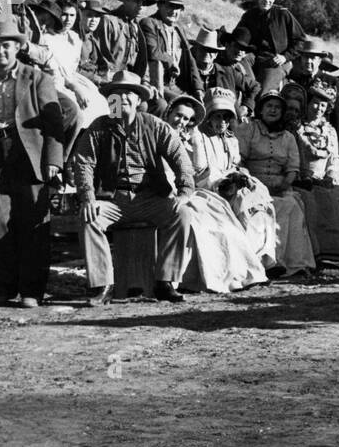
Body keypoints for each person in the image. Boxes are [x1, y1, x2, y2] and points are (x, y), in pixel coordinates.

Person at [70, 69, 192, 304]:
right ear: (109, 100)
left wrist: (184, 192)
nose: (122, 98)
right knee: (89, 217)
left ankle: (164, 281)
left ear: (138, 100)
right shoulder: (99, 127)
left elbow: (181, 160)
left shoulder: (154, 126)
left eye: (129, 94)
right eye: (116, 94)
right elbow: (83, 163)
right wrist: (88, 197)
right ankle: (102, 285)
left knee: (182, 213)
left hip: (148, 199)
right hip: (113, 200)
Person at [0, 15, 66, 308]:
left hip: (30, 157)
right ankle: (0, 289)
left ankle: (31, 291)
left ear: (17, 49)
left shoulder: (37, 78)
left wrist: (54, 160)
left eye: (7, 46)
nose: (1, 52)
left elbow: (55, 122)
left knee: (32, 225)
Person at [164, 93, 267, 293]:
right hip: (166, 191)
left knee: (225, 226)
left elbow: (195, 174)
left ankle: (237, 274)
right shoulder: (157, 133)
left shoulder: (189, 139)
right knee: (200, 227)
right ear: (168, 113)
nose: (181, 122)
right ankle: (197, 277)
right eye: (178, 116)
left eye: (187, 119)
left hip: (191, 191)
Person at [197, 87, 279, 269]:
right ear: (209, 116)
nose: (222, 122)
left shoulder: (231, 140)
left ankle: (264, 256)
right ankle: (250, 262)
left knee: (258, 199)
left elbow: (235, 164)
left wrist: (242, 176)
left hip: (230, 183)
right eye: (217, 116)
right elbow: (201, 171)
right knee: (242, 200)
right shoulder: (199, 137)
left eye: (226, 117)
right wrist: (226, 180)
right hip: (208, 187)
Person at [236, 90, 315, 277]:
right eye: (269, 106)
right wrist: (253, 183)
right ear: (261, 110)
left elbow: (292, 168)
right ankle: (264, 262)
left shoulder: (288, 137)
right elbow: (240, 161)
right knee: (261, 207)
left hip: (280, 186)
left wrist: (283, 185)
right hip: (253, 184)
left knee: (291, 205)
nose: (273, 110)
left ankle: (293, 263)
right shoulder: (249, 129)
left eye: (278, 107)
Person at [295, 80, 339, 264]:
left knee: (336, 196)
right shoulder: (297, 129)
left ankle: (338, 252)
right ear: (307, 104)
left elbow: (333, 160)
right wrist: (303, 176)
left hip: (324, 179)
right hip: (303, 179)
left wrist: (331, 174)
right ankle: (318, 253)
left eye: (323, 105)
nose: (318, 108)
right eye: (315, 103)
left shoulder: (329, 131)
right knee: (311, 200)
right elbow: (294, 156)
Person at [287, 36, 339, 157]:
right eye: (305, 57)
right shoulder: (293, 80)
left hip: (321, 141)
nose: (308, 61)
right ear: (301, 59)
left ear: (320, 60)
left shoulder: (332, 82)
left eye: (313, 58)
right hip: (294, 139)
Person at [235, 0, 305, 93]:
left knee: (264, 91)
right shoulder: (249, 15)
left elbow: (301, 40)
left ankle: (258, 99)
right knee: (239, 65)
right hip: (253, 56)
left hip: (275, 59)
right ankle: (250, 91)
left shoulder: (283, 14)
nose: (266, 0)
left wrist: (285, 57)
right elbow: (238, 34)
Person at [141, 0, 200, 105]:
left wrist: (198, 88)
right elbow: (152, 52)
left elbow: (190, 60)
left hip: (174, 84)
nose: (174, 11)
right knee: (183, 105)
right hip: (154, 81)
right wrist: (171, 61)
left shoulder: (179, 29)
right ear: (159, 5)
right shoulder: (149, 23)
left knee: (197, 106)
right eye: (170, 6)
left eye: (178, 8)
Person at [96, 0, 152, 78]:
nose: (140, 6)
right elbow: (102, 56)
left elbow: (141, 62)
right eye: (136, 1)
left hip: (130, 80)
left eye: (143, 3)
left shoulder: (136, 27)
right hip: (108, 80)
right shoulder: (108, 21)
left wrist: (145, 82)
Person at [212, 27, 260, 120]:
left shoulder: (241, 68)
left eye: (243, 49)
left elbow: (255, 86)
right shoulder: (214, 62)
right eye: (236, 46)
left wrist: (246, 106)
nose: (239, 51)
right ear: (227, 44)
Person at [45, 0, 85, 79]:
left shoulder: (75, 38)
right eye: (64, 14)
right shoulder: (47, 37)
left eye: (72, 15)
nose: (68, 19)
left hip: (72, 77)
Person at [77, 0, 112, 84]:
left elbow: (100, 64)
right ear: (80, 15)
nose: (94, 20)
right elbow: (75, 69)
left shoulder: (91, 38)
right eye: (89, 15)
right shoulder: (74, 38)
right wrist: (98, 80)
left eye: (97, 16)